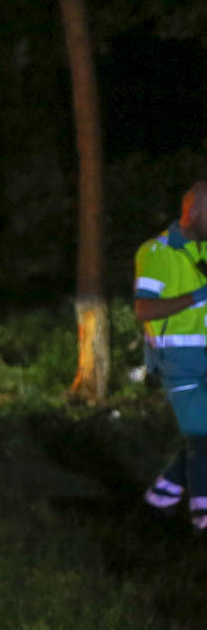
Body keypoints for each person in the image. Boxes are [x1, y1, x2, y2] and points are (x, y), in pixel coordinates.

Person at [135, 181, 207, 527]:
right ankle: (202, 513)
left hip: (203, 355)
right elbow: (144, 309)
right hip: (177, 361)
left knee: (202, 432)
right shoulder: (156, 252)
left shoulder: (200, 251)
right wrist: (198, 296)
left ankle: (163, 494)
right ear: (194, 211)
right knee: (201, 434)